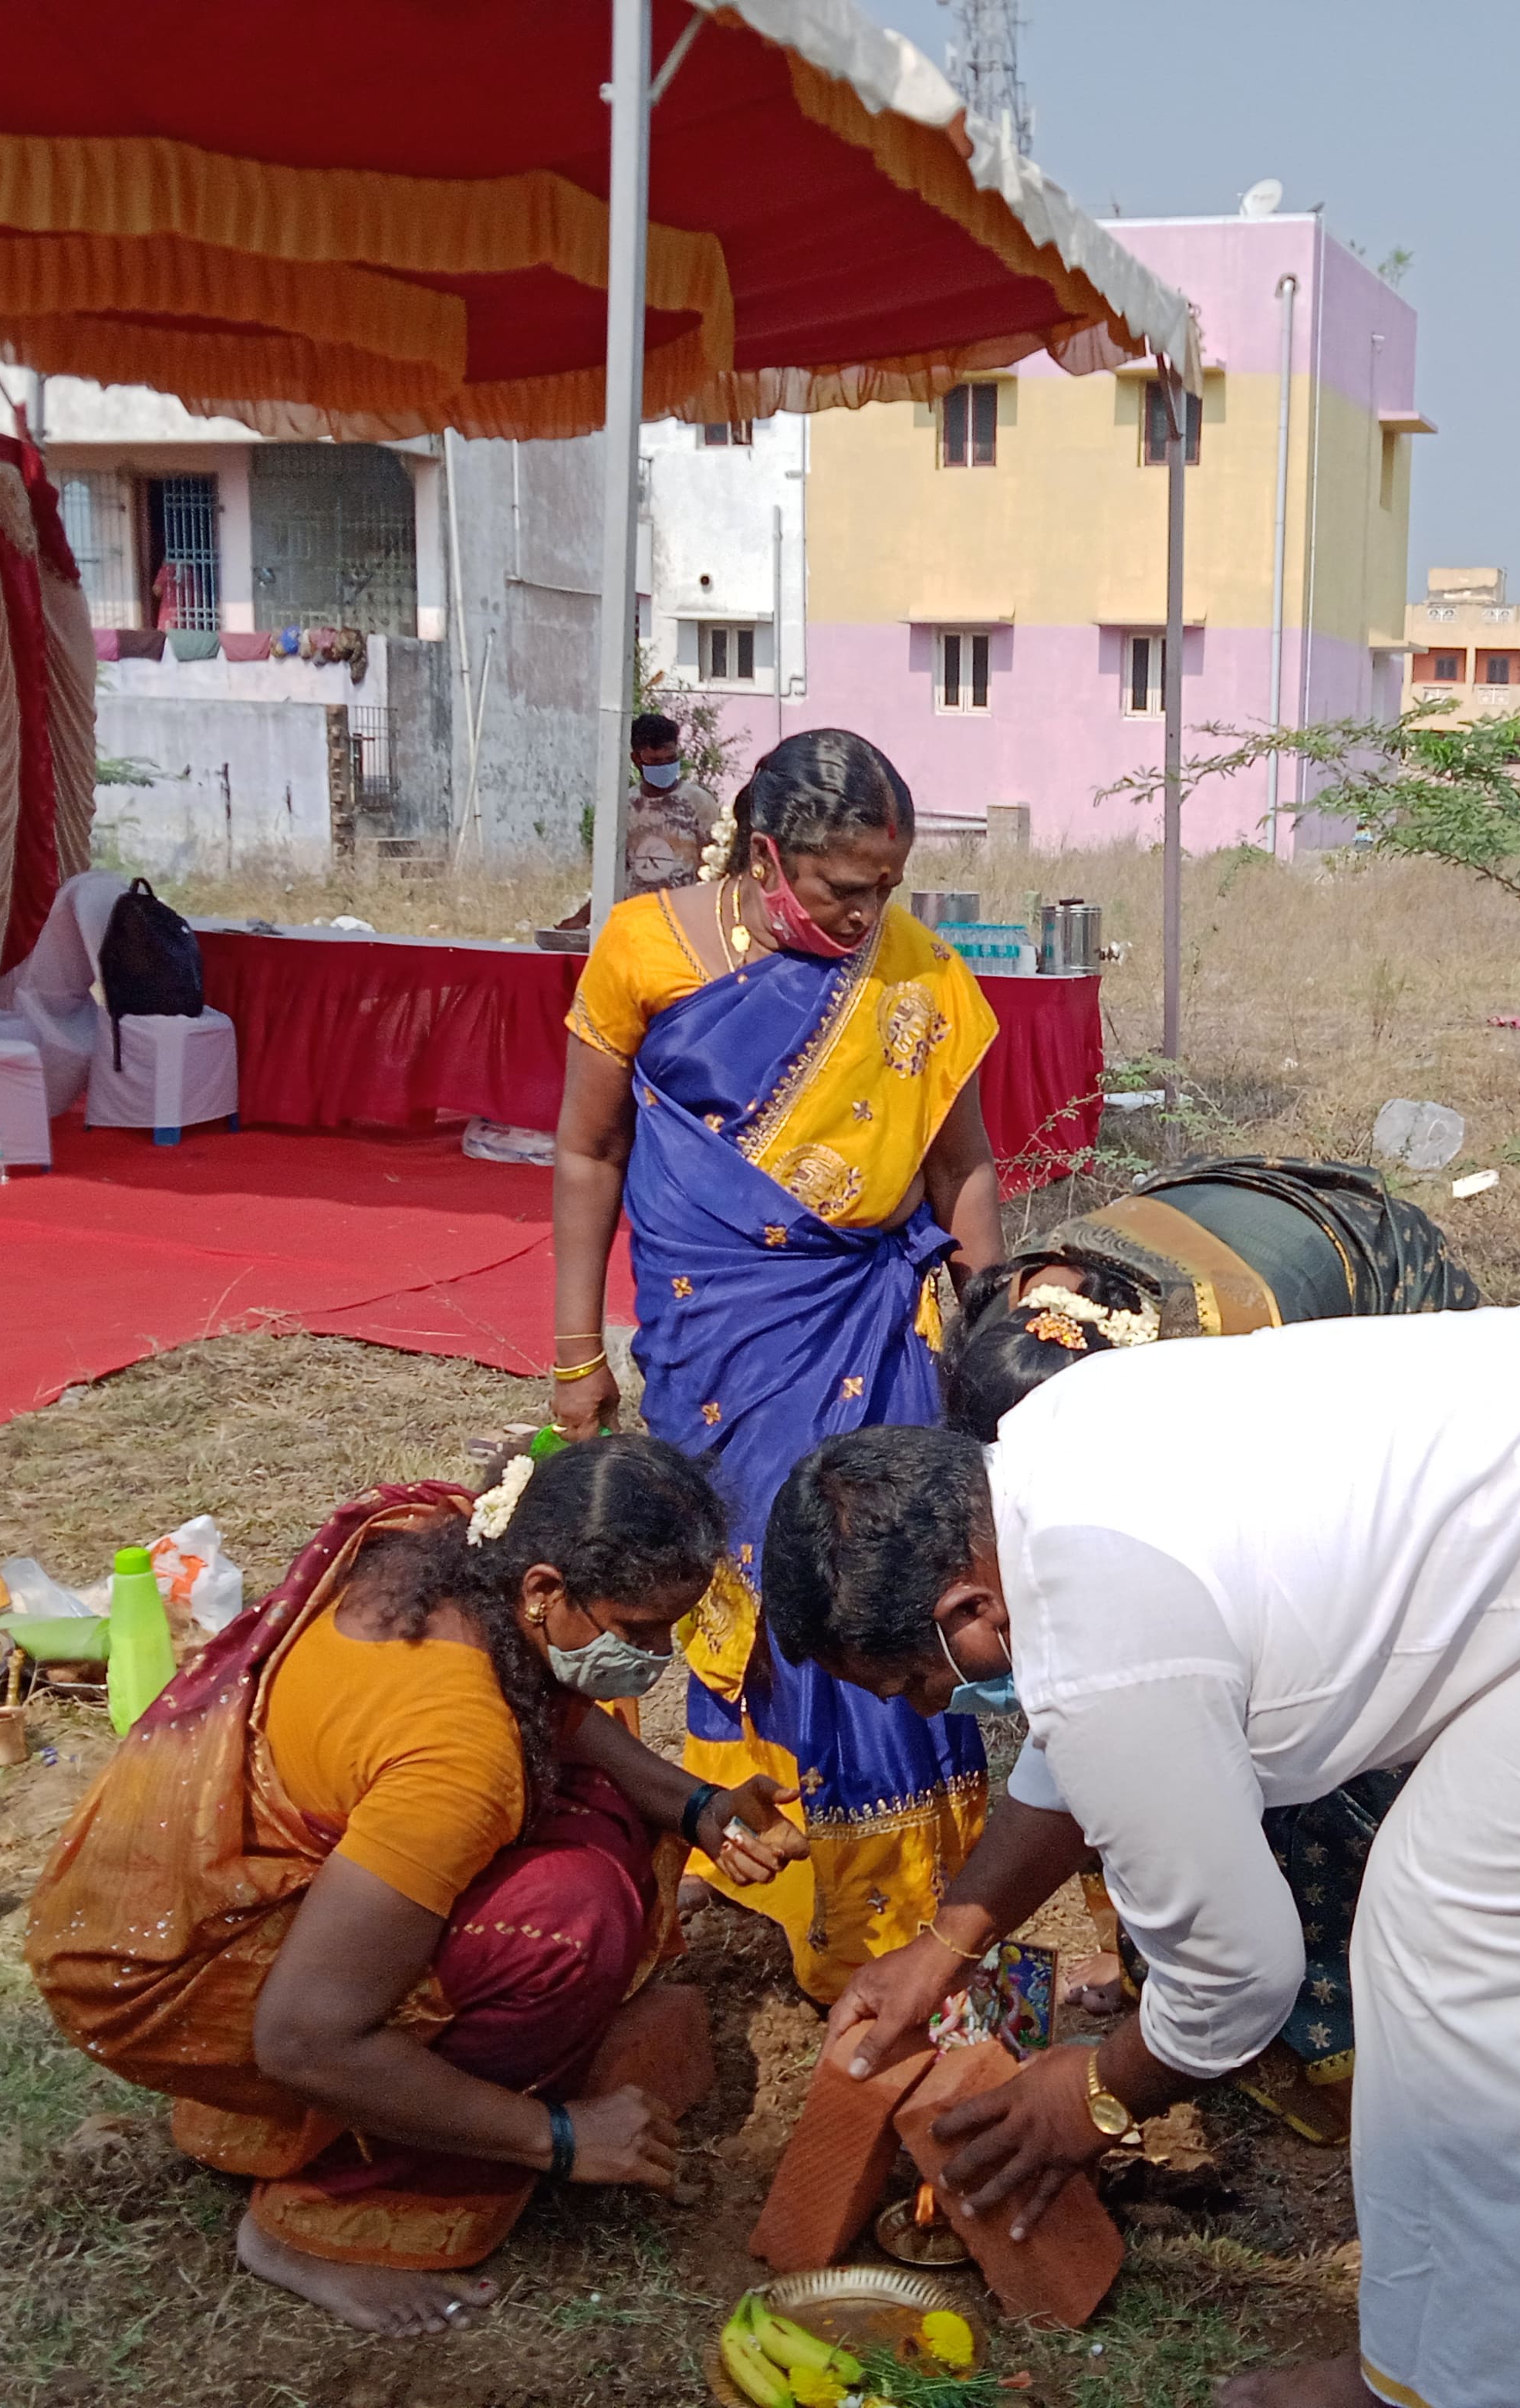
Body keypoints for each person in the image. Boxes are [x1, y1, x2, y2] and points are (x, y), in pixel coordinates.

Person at [772, 1284, 1520, 2408]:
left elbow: (1236, 1973)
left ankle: (1466, 2380)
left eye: (913, 1681)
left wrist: (1098, 2095)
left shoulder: (1102, 1638)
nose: (929, 1708)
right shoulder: (1045, 1457)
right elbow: (1084, 1748)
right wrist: (949, 1944)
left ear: (969, 1612)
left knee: (1452, 1938)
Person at [25, 1437, 808, 2335]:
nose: (657, 1654)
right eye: (635, 1630)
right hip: (183, 1970)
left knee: (603, 1809)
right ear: (542, 1589)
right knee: (567, 1922)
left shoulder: (451, 1543)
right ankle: (329, 2216)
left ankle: (327, 2119)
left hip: (211, 1891)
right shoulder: (459, 1759)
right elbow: (303, 2037)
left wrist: (696, 1805)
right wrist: (557, 2138)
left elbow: (548, 1706)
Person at [551, 728, 1006, 2004]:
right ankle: (755, 1835)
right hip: (716, 1337)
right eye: (843, 888)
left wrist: (989, 1329)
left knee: (874, 1580)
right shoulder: (642, 949)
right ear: (764, 857)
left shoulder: (919, 975)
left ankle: (885, 1899)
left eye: (889, 886)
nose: (869, 915)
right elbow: (588, 1151)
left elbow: (962, 1166)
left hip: (872, 1331)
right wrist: (577, 1350)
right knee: (743, 1576)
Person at [945, 1155, 1479, 2141]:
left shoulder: (1232, 1386)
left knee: (1286, 1740)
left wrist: (1106, 2092)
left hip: (1379, 1314)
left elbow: (1198, 1660)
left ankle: (1334, 2025)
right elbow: (1103, 1718)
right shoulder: (1004, 1349)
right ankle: (1173, 1973)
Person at [623, 712, 720, 899]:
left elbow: (717, 864)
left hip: (686, 910)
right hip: (637, 910)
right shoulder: (626, 806)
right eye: (655, 761)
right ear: (636, 759)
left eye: (671, 759)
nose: (665, 766)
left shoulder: (699, 803)